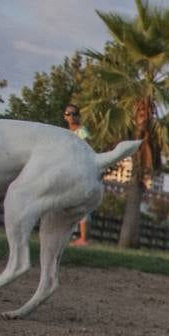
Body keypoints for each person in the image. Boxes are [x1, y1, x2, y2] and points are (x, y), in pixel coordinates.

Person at [63, 105, 93, 247]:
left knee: (81, 204)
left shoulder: (82, 131)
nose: (71, 116)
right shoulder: (65, 132)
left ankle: (84, 239)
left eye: (74, 114)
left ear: (78, 116)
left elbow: (88, 148)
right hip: (68, 171)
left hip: (80, 171)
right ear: (65, 116)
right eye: (68, 114)